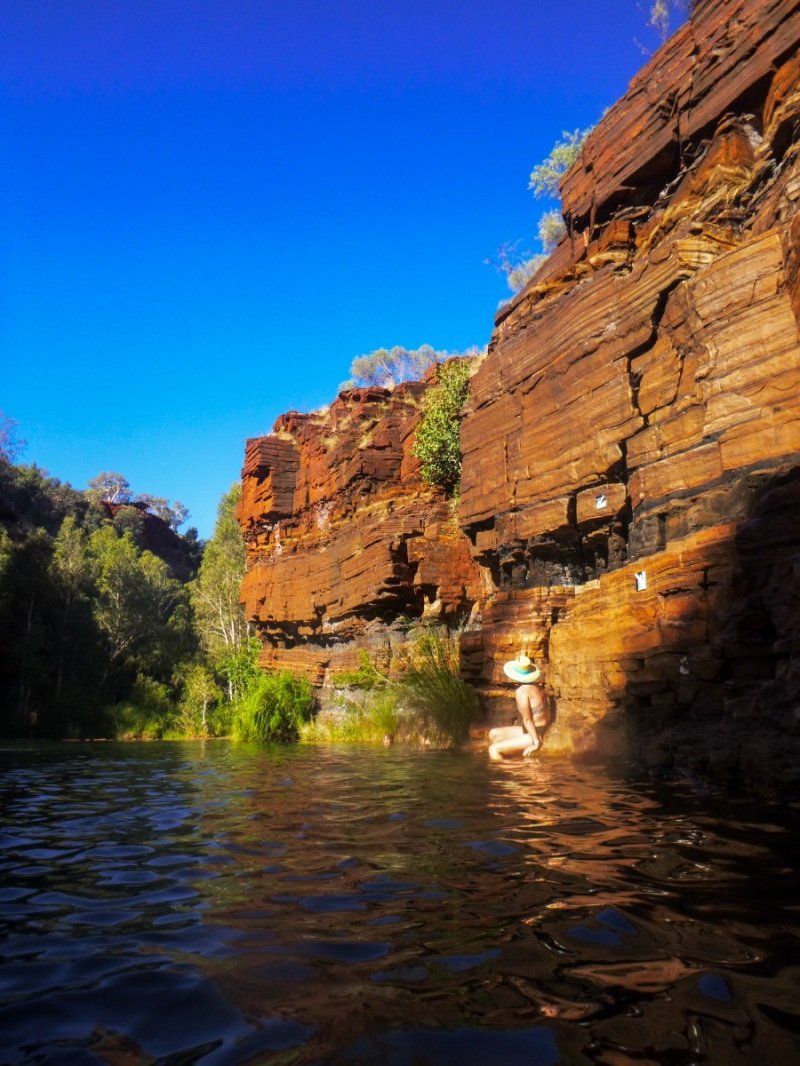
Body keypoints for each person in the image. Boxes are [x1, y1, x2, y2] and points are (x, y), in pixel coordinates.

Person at [488, 654, 551, 761]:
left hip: (535, 734)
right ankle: (513, 759)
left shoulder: (522, 691)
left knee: (493, 749)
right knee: (493, 734)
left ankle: (513, 772)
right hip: (535, 730)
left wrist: (536, 742)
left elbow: (527, 719)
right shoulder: (538, 687)